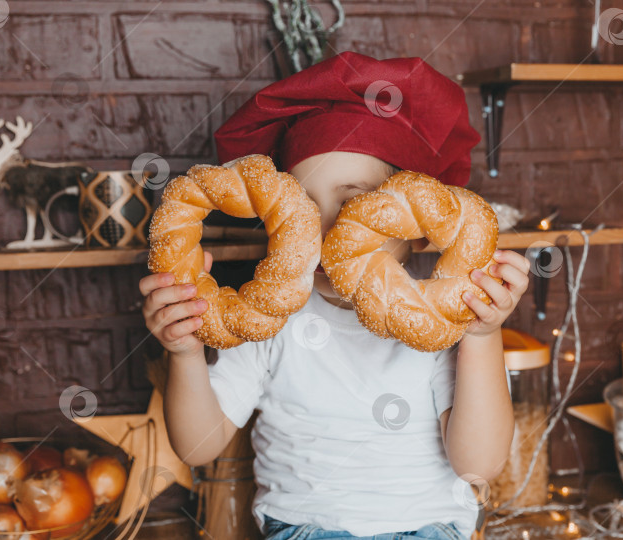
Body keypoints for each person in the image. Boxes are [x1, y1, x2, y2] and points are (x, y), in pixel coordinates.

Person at [139, 52, 530, 540]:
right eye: (300, 210)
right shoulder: (265, 319)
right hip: (304, 530)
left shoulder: (439, 321)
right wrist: (185, 351)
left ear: (418, 228)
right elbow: (198, 446)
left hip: (429, 529)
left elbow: (480, 464)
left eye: (352, 204)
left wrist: (481, 335)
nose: (321, 233)